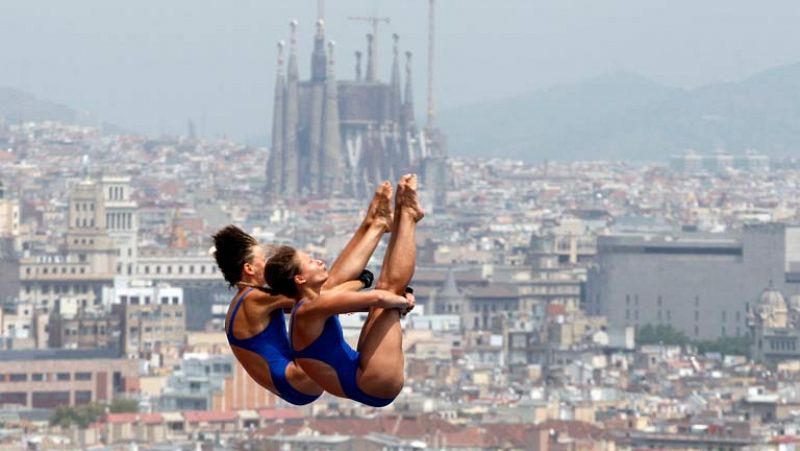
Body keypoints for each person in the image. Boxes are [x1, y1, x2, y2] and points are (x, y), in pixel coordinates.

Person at [213, 182, 394, 405]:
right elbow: (323, 294)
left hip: (293, 385)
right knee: (315, 288)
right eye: (264, 260)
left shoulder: (243, 301)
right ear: (249, 269)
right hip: (295, 378)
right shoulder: (253, 298)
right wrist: (362, 282)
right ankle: (374, 225)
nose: (270, 264)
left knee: (317, 289)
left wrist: (360, 288)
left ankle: (374, 224)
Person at [266, 174, 424, 407]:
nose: (318, 261)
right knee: (389, 289)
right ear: (299, 278)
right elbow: (378, 297)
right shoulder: (310, 308)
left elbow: (355, 296)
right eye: (310, 262)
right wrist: (400, 301)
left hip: (360, 375)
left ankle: (386, 221)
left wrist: (396, 299)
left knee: (388, 292)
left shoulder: (311, 304)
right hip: (372, 383)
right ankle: (407, 216)